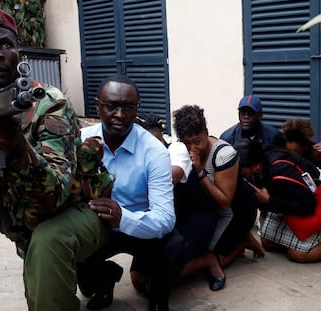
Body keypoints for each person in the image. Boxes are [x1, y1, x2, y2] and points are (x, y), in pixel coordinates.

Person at [0, 7, 111, 311]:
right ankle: (99, 278)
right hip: (28, 224)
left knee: (46, 252)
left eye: (5, 44)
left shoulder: (49, 103)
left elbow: (54, 196)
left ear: (20, 55)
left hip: (81, 210)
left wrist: (19, 152)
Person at [77, 75, 175, 311]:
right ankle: (106, 278)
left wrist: (124, 218)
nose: (120, 114)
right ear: (98, 106)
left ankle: (159, 298)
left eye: (128, 107)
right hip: (97, 226)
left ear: (136, 109)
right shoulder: (79, 141)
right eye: (111, 106)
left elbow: (165, 217)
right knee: (86, 285)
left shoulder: (154, 152)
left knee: (169, 246)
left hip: (140, 227)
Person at [171, 105, 238, 291]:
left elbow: (225, 203)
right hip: (196, 209)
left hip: (227, 212)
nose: (193, 148)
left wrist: (200, 170)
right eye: (187, 143)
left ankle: (223, 252)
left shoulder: (224, 154)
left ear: (206, 132)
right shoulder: (181, 151)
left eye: (197, 141)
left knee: (184, 261)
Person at [234, 139, 321, 263]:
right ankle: (298, 241)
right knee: (266, 241)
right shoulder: (262, 161)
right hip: (290, 204)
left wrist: (269, 200)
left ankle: (304, 244)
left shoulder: (280, 170)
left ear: (255, 166)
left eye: (241, 169)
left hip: (314, 205)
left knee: (298, 254)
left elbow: (308, 205)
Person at [220, 95, 284, 147]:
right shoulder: (227, 138)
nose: (246, 117)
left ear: (260, 116)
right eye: (243, 113)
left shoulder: (274, 137)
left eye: (250, 113)